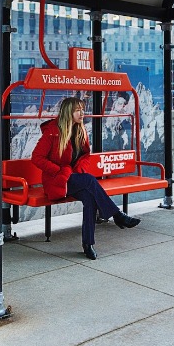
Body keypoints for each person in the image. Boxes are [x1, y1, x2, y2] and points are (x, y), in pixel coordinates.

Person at [31, 97, 141, 260]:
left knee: (90, 199)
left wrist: (78, 171)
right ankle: (117, 215)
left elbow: (85, 156)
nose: (82, 113)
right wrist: (59, 170)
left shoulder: (80, 130)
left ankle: (88, 244)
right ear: (69, 112)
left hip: (73, 179)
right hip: (56, 181)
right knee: (90, 180)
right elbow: (37, 157)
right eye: (78, 110)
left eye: (83, 109)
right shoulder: (53, 131)